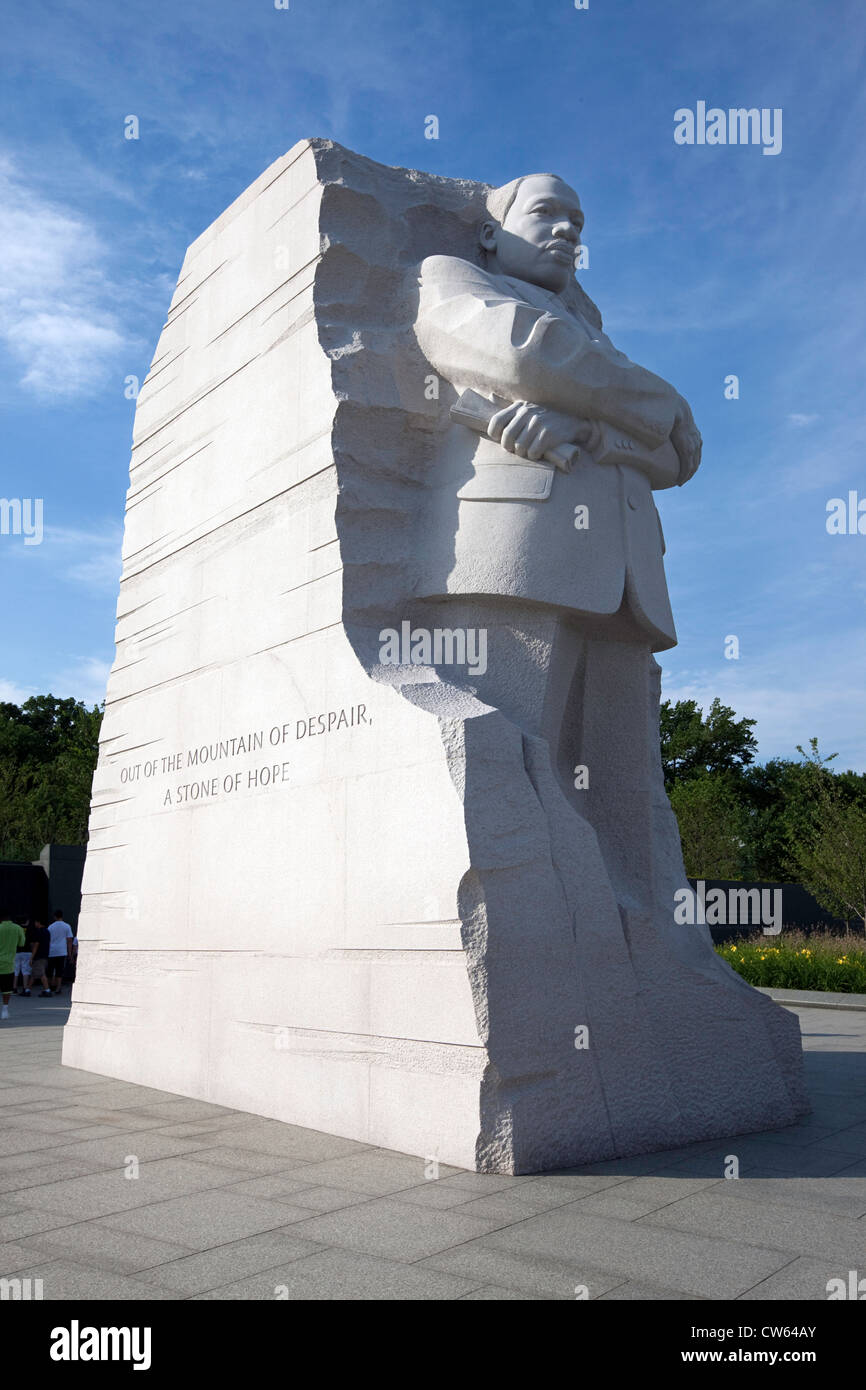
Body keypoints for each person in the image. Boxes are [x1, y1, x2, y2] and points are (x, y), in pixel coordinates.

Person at [0, 916, 26, 1020]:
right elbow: (21, 943)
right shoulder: (17, 928)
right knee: (6, 989)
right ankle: (5, 1010)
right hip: (9, 963)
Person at [46, 910, 73, 995]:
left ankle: (49, 986)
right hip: (62, 951)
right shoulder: (67, 926)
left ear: (54, 917)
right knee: (59, 970)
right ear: (62, 916)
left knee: (50, 970)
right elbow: (69, 940)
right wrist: (69, 953)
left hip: (52, 951)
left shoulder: (50, 927)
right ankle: (58, 988)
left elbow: (48, 939)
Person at [13, 918, 33, 996]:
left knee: (16, 969)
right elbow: (32, 942)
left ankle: (14, 988)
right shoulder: (30, 930)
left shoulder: (16, 929)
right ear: (27, 921)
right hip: (27, 951)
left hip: (17, 951)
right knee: (25, 970)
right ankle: (25, 988)